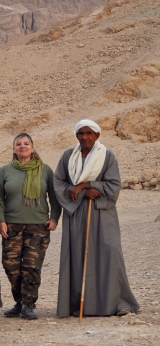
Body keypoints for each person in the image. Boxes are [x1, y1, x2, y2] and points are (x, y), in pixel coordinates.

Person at [53, 120, 138, 318]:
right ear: (77, 136)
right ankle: (79, 305)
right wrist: (81, 192)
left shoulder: (107, 156)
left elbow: (114, 185)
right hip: (75, 214)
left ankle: (118, 303)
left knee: (110, 254)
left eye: (89, 133)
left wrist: (86, 186)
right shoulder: (68, 156)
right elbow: (59, 183)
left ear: (97, 135)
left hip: (102, 213)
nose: (85, 137)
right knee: (77, 256)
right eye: (81, 133)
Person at [0, 133, 62, 320]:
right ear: (14, 149)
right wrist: (1, 221)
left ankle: (28, 304)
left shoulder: (45, 170)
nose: (22, 146)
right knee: (11, 265)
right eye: (18, 144)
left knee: (32, 266)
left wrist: (54, 218)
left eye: (26, 143)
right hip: (11, 226)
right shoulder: (6, 170)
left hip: (38, 226)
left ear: (32, 148)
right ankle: (19, 301)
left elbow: (55, 197)